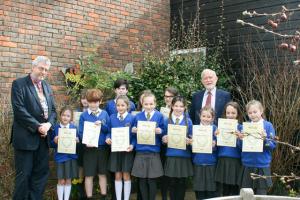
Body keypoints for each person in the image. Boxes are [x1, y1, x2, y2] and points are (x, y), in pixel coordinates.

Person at [10, 56, 57, 200]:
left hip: (43, 141)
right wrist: (38, 127)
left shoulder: (47, 86)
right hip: (25, 140)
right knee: (24, 177)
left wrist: (49, 124)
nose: (43, 72)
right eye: (41, 68)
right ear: (33, 67)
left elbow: (54, 111)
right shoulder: (19, 84)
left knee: (40, 176)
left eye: (46, 70)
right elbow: (19, 111)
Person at [238, 100, 276, 195]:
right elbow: (240, 147)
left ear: (261, 111)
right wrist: (240, 139)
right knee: (246, 194)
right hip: (247, 164)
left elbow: (272, 145)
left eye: (255, 112)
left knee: (261, 195)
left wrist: (265, 139)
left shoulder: (268, 126)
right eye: (250, 113)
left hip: (261, 165)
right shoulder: (245, 126)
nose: (253, 115)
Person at [131, 92, 164, 200]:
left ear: (155, 104)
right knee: (142, 180)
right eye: (146, 104)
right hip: (140, 152)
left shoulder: (159, 116)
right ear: (142, 104)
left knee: (152, 180)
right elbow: (133, 137)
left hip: (154, 152)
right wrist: (133, 131)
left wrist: (161, 132)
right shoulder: (137, 117)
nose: (148, 106)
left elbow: (164, 135)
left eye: (151, 104)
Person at [78, 89, 110, 200]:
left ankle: (103, 196)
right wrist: (86, 142)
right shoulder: (83, 115)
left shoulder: (105, 114)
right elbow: (80, 132)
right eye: (91, 102)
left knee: (102, 173)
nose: (93, 104)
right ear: (87, 101)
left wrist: (102, 124)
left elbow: (108, 130)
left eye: (96, 102)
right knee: (89, 175)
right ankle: (89, 197)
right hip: (89, 149)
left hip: (102, 148)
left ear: (100, 101)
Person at [162, 96, 193, 200]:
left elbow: (191, 137)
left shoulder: (188, 121)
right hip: (171, 155)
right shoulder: (167, 120)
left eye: (181, 106)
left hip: (183, 156)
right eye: (176, 106)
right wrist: (163, 139)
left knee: (181, 183)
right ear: (172, 106)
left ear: (185, 108)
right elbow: (162, 136)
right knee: (172, 182)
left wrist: (189, 141)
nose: (178, 108)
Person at [106, 95, 135, 200]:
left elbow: (134, 136)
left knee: (126, 176)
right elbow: (109, 132)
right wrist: (108, 138)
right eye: (118, 105)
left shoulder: (132, 118)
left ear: (127, 106)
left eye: (123, 105)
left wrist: (132, 145)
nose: (120, 107)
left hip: (127, 151)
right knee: (117, 176)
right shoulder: (112, 117)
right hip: (115, 151)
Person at [50, 106, 79, 200]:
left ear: (71, 118)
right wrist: (54, 141)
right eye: (63, 115)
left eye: (68, 116)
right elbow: (50, 144)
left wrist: (77, 141)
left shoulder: (74, 128)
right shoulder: (55, 128)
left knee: (68, 180)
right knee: (61, 180)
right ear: (60, 116)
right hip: (60, 157)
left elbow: (78, 144)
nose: (65, 117)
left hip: (71, 157)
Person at [215, 102, 243, 196]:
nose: (230, 115)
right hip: (222, 160)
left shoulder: (241, 128)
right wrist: (216, 137)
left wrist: (239, 138)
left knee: (234, 190)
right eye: (228, 113)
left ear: (238, 114)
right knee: (224, 190)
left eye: (233, 113)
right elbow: (216, 147)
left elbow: (243, 148)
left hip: (235, 161)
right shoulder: (219, 127)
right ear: (225, 114)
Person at [192, 106, 217, 200]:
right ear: (200, 116)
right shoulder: (195, 128)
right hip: (198, 162)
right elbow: (192, 147)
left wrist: (215, 144)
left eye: (208, 116)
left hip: (211, 163)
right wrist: (190, 143)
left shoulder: (215, 129)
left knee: (211, 190)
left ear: (213, 118)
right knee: (199, 189)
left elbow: (219, 146)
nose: (206, 119)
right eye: (204, 116)